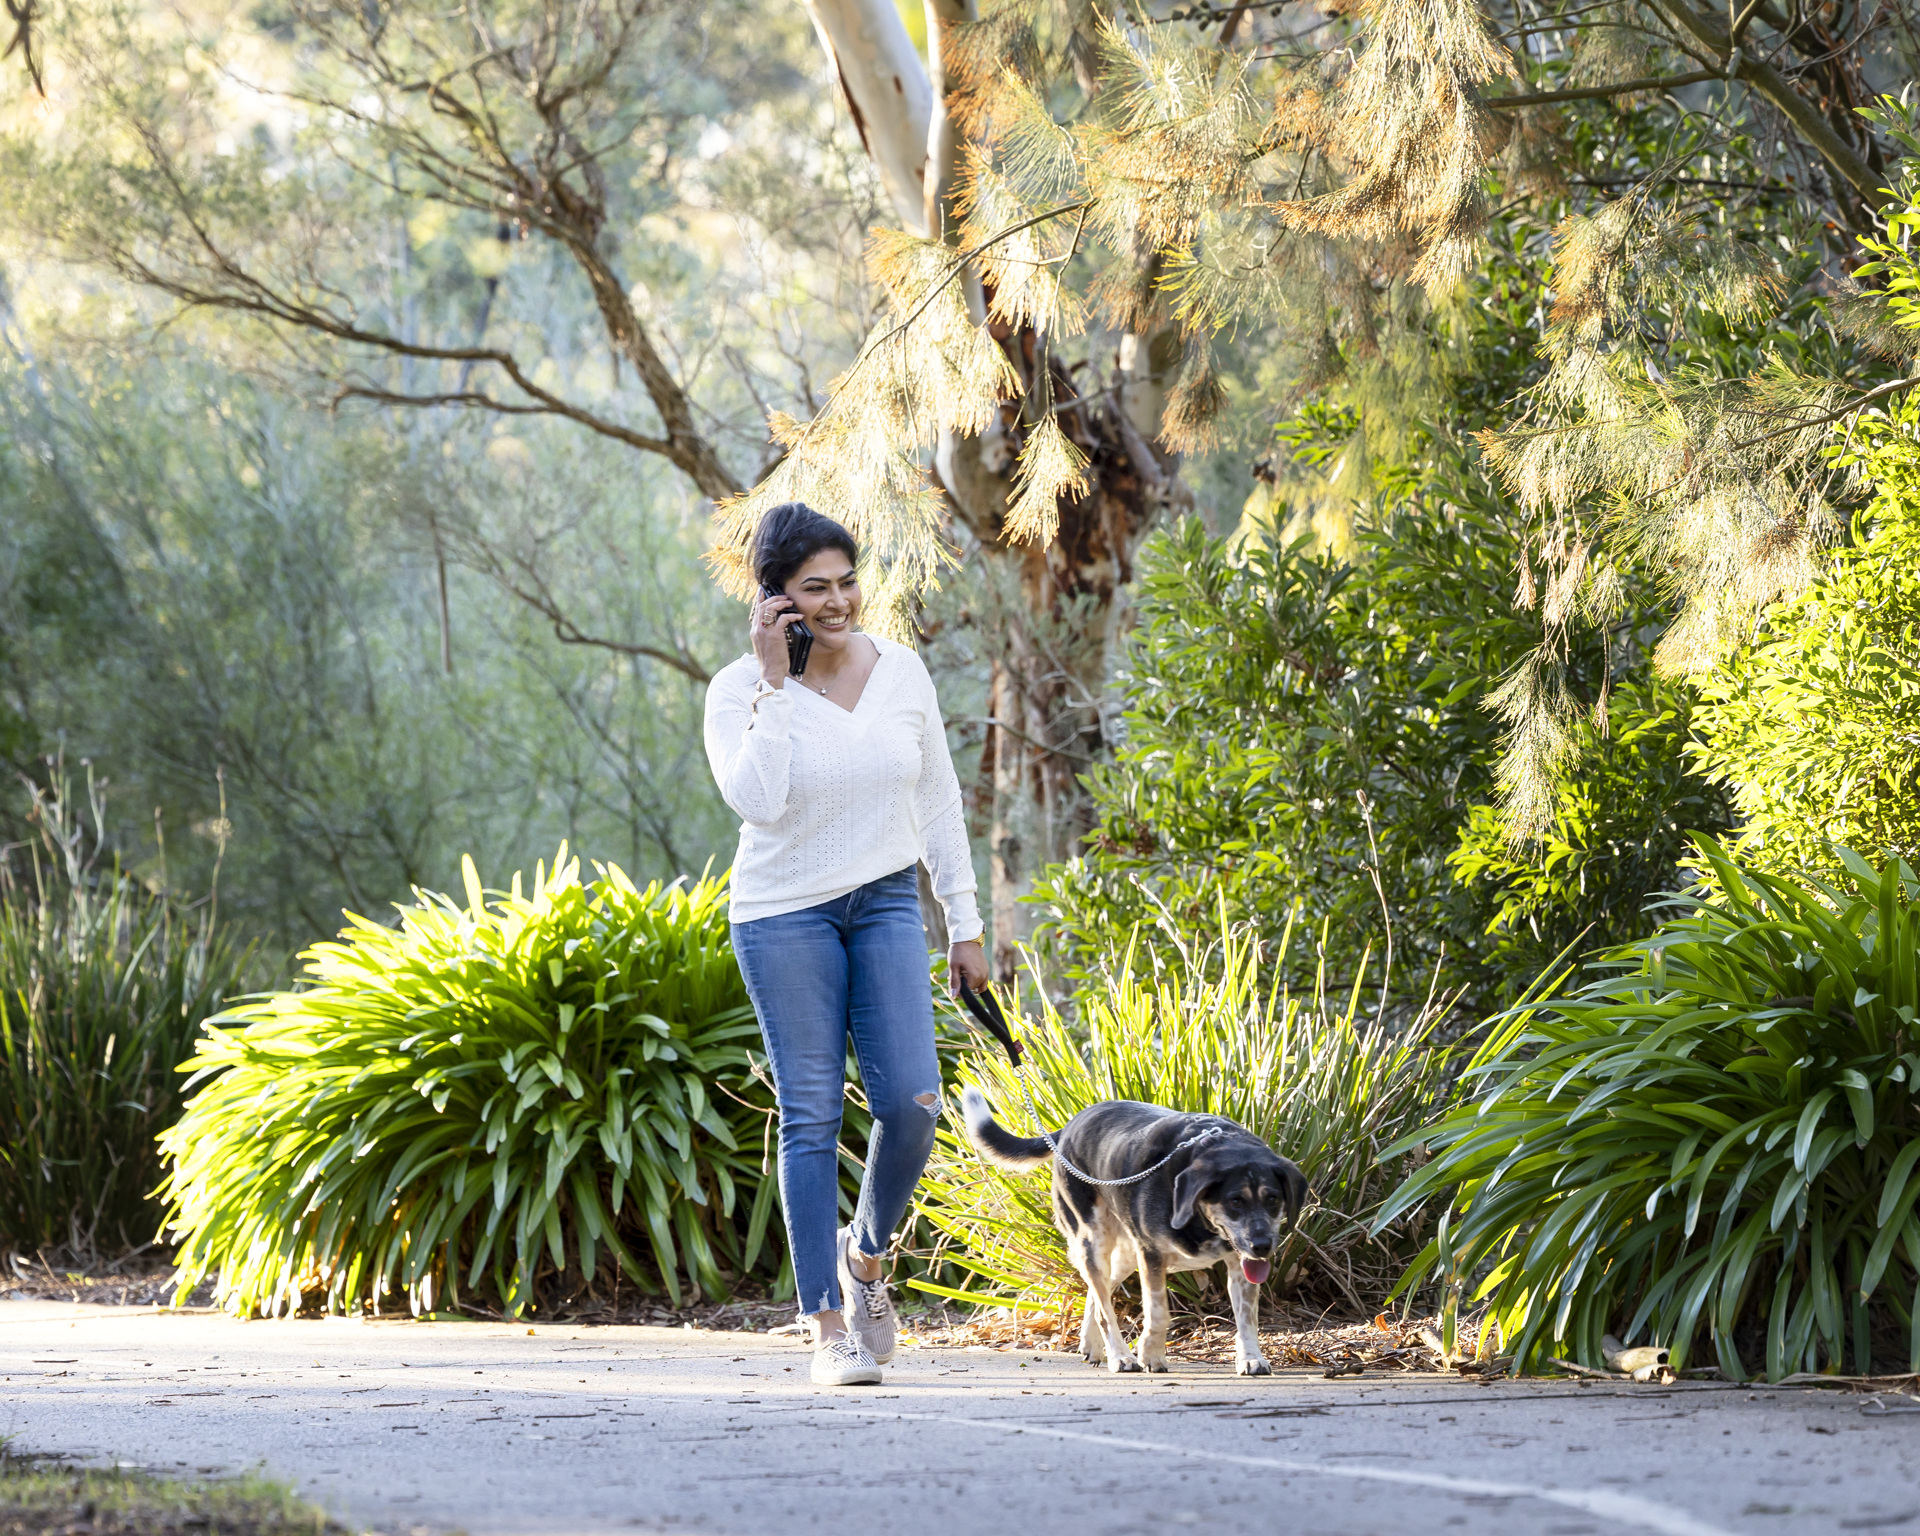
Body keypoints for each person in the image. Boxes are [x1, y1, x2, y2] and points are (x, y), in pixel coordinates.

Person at [704, 501, 990, 1387]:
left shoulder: (901, 671)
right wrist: (776, 684)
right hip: (783, 912)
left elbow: (937, 797)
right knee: (814, 1110)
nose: (837, 602)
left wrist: (965, 919)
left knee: (912, 1100)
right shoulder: (737, 692)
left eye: (845, 582)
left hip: (886, 902)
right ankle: (824, 1322)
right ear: (775, 601)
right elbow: (758, 801)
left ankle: (864, 1260)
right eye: (813, 589)